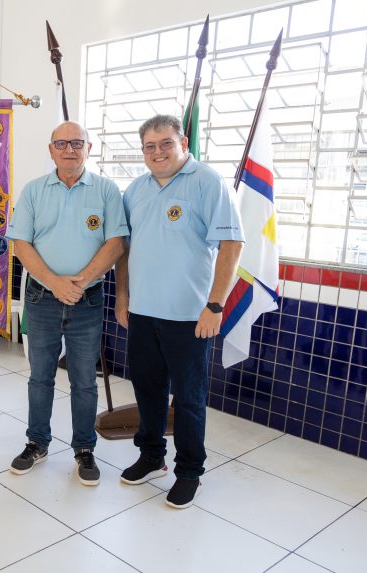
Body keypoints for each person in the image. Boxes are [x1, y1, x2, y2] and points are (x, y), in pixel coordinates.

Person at [114, 114, 244, 508]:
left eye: (166, 143)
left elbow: (232, 245)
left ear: (183, 143)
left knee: (188, 398)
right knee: (147, 390)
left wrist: (215, 305)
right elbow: (125, 248)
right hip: (143, 312)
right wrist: (123, 297)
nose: (158, 152)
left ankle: (189, 472)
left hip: (190, 316)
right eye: (149, 146)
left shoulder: (207, 182)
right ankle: (152, 456)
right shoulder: (135, 190)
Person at [5, 121, 128, 486]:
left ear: (89, 148)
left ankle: (84, 449)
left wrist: (82, 281)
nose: (69, 149)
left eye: (77, 143)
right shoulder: (34, 190)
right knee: (40, 376)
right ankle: (37, 443)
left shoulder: (106, 190)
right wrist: (55, 282)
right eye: (61, 143)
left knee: (84, 381)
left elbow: (116, 243)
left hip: (87, 299)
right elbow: (21, 244)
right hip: (42, 298)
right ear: (51, 150)